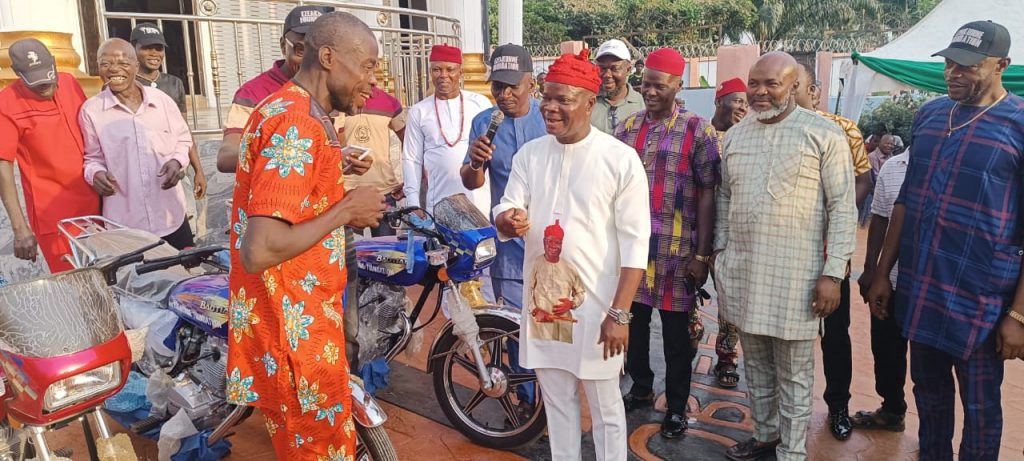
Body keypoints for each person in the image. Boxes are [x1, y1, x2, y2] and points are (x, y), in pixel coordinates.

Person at [228, 12, 387, 459]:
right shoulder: (294, 122)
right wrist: (346, 209)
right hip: (292, 330)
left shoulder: (298, 112)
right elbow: (260, 249)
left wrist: (333, 178)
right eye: (368, 65)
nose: (373, 80)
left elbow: (289, 203)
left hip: (304, 317)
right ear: (329, 56)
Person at [867, 20, 1024, 460]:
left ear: (1001, 66)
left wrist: (1018, 314)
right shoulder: (932, 116)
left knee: (981, 409)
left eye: (968, 67)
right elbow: (907, 200)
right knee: (929, 399)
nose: (954, 74)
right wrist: (883, 273)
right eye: (950, 64)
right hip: (922, 286)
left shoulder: (1019, 123)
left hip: (982, 298)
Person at [493, 48, 650, 461]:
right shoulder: (531, 155)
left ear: (588, 102)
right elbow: (508, 205)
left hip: (599, 309)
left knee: (605, 406)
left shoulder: (620, 160)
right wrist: (507, 219)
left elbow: (636, 245)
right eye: (548, 97)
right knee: (558, 400)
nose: (550, 107)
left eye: (563, 99)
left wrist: (620, 314)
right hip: (546, 304)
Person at [715, 52, 856, 461]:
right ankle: (765, 436)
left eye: (771, 84)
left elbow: (843, 208)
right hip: (744, 273)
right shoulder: (737, 135)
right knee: (756, 366)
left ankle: (791, 453)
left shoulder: (823, 134)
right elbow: (724, 196)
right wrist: (722, 250)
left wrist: (833, 274)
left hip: (799, 278)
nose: (759, 92)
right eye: (753, 83)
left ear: (793, 86)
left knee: (794, 375)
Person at [613, 47, 719, 439]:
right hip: (634, 252)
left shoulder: (698, 130)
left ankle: (677, 406)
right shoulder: (625, 129)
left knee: (677, 336)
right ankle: (640, 388)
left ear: (677, 84)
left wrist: (702, 254)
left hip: (679, 252)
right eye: (646, 84)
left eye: (660, 85)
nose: (651, 92)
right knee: (634, 327)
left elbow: (709, 191)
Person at [794, 66, 872, 441]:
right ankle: (783, 412)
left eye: (795, 86)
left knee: (835, 333)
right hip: (786, 251)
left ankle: (838, 405)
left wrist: (831, 214)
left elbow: (863, 179)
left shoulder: (843, 128)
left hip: (828, 251)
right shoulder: (767, 128)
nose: (787, 93)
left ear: (814, 90)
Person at [80, 39, 194, 249]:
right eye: (105, 64)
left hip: (170, 216)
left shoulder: (162, 101)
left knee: (188, 276)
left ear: (136, 66)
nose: (114, 69)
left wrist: (177, 162)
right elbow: (91, 158)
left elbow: (183, 139)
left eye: (123, 63)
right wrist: (95, 174)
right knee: (139, 281)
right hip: (125, 223)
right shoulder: (91, 110)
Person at [0, 39, 100, 272]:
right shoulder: (6, 103)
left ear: (54, 64)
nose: (46, 85)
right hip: (56, 217)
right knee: (80, 283)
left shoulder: (69, 82)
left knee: (111, 277)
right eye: (35, 81)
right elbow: (3, 165)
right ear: (17, 73)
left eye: (48, 75)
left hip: (98, 203)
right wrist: (19, 228)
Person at [461, 43, 546, 309]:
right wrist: (476, 162)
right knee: (511, 327)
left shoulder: (549, 117)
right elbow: (471, 181)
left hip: (548, 240)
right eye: (497, 86)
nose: (504, 94)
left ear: (530, 82)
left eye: (513, 86)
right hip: (507, 246)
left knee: (550, 329)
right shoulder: (484, 122)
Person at [216, 5, 333, 174]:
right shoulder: (252, 94)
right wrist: (291, 154)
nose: (310, 61)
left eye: (318, 52)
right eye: (301, 50)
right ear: (283, 46)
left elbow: (336, 147)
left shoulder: (330, 91)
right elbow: (226, 158)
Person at [851, 149, 909, 433]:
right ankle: (892, 408)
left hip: (929, 285)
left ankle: (937, 430)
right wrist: (871, 270)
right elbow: (880, 219)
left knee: (929, 363)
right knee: (886, 348)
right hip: (890, 280)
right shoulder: (893, 167)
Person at [403, 43, 492, 215]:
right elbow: (412, 159)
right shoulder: (419, 111)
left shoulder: (480, 103)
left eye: (450, 69)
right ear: (431, 73)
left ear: (460, 72)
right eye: (437, 70)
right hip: (439, 203)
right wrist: (413, 203)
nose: (443, 75)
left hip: (478, 200)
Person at [130, 22, 207, 203]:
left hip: (176, 166)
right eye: (147, 48)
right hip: (143, 171)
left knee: (186, 220)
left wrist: (198, 170)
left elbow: (184, 130)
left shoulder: (174, 83)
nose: (155, 54)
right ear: (133, 49)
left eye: (159, 49)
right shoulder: (127, 85)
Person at [708, 77, 747, 389]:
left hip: (731, 235)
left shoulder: (748, 138)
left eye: (746, 103)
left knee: (729, 302)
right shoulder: (701, 133)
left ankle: (726, 358)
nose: (743, 108)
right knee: (688, 305)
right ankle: (688, 352)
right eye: (737, 100)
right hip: (697, 229)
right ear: (719, 101)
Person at [341, 86, 406, 236]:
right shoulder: (340, 100)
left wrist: (408, 180)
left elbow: (409, 143)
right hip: (347, 190)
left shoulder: (390, 102)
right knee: (348, 254)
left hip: (383, 191)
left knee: (386, 254)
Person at [528, 220, 585, 342]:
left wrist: (571, 304)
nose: (553, 246)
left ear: (562, 244)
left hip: (564, 324)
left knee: (564, 355)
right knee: (542, 356)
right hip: (541, 323)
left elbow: (580, 293)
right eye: (550, 241)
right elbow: (528, 289)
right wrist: (535, 310)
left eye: (557, 242)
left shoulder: (570, 268)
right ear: (544, 242)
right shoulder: (537, 263)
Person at [591, 39, 644, 134]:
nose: (607, 74)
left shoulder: (642, 105)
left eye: (614, 68)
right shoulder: (587, 101)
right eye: (602, 68)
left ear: (628, 70)